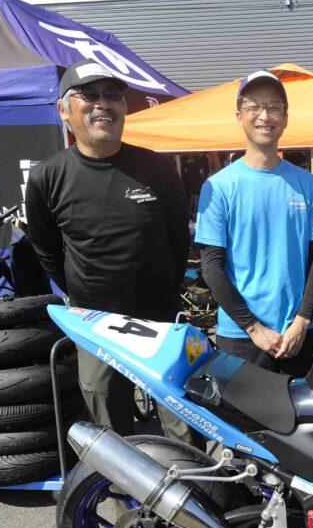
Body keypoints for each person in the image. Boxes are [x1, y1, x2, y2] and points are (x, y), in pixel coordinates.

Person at [23, 59, 195, 443]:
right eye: (89, 95)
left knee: (183, 424)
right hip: (95, 324)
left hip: (160, 321)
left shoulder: (157, 168)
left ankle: (191, 482)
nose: (103, 104)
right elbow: (47, 249)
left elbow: (177, 240)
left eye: (113, 95)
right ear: (64, 110)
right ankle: (121, 483)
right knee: (111, 432)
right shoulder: (47, 177)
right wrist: (83, 292)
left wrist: (163, 294)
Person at [195, 70, 313, 376]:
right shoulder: (219, 187)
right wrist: (253, 328)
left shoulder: (307, 184)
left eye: (273, 107)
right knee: (241, 410)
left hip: (297, 334)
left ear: (285, 117)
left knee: (301, 408)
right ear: (239, 116)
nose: (264, 115)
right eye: (254, 106)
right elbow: (212, 267)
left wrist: (303, 320)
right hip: (241, 337)